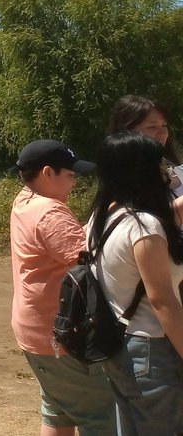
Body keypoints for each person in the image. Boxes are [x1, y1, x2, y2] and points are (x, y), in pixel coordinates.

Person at [10, 138, 115, 436]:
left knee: (59, 412)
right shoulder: (50, 213)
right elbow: (91, 263)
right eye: (69, 174)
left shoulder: (24, 201)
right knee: (102, 416)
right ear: (47, 173)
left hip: (35, 328)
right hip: (62, 333)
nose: (74, 181)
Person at [91, 131, 183, 436]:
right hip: (152, 352)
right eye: (160, 166)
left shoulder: (101, 217)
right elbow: (162, 302)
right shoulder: (145, 228)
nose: (166, 173)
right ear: (142, 171)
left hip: (119, 345)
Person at [107, 95, 183, 215]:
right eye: (152, 127)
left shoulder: (171, 166)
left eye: (164, 125)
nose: (163, 133)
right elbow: (149, 221)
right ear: (127, 132)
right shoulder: (126, 177)